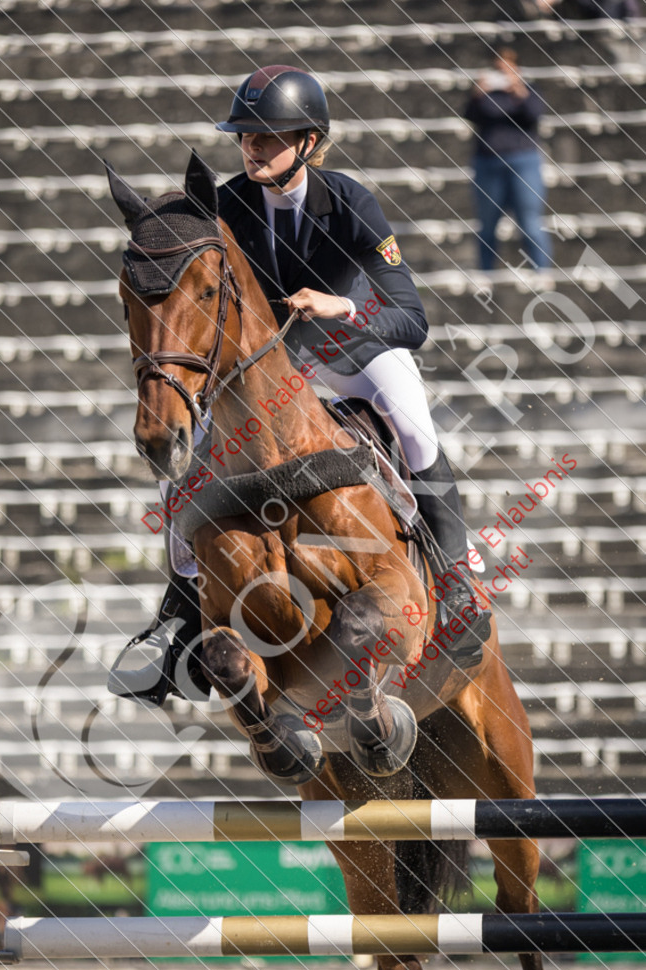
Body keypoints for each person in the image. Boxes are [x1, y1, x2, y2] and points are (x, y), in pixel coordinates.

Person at [110, 66, 491, 707]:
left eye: (270, 136)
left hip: (352, 354)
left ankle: (452, 569)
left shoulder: (349, 201)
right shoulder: (226, 202)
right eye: (246, 137)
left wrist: (344, 308)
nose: (253, 147)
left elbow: (412, 318)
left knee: (410, 415)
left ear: (310, 142)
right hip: (265, 370)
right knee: (178, 450)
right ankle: (177, 617)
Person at [465, 45, 552, 275]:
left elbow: (535, 115)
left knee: (530, 221)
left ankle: (541, 272)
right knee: (487, 223)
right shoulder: (485, 93)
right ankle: (486, 274)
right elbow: (470, 116)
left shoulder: (529, 89)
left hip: (523, 161)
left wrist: (519, 91)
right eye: (498, 68)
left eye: (508, 67)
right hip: (488, 161)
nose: (503, 73)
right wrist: (477, 94)